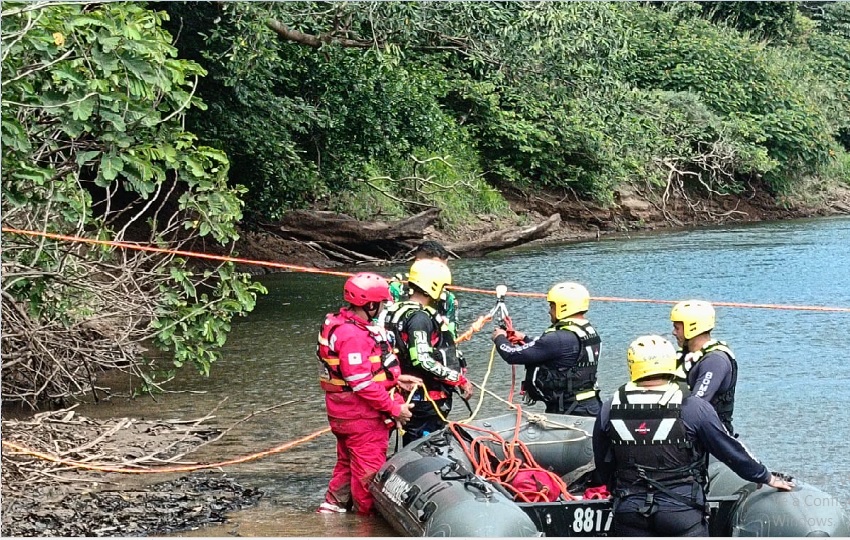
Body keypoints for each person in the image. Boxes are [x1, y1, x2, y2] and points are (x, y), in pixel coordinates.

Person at [592, 335, 794, 536]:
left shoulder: (610, 408)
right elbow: (729, 450)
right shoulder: (694, 408)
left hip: (630, 510)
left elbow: (603, 462)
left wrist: (620, 490)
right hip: (681, 510)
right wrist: (765, 476)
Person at [316, 272, 421, 515]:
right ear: (370, 304)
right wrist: (395, 408)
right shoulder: (353, 335)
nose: (384, 307)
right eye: (381, 303)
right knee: (369, 475)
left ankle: (333, 508)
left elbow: (358, 372)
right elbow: (360, 383)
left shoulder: (340, 325)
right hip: (361, 418)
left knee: (346, 463)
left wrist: (395, 378)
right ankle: (368, 525)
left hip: (342, 413)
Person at [382, 258, 473, 446]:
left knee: (413, 442)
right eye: (443, 287)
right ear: (433, 286)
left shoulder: (396, 310)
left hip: (409, 394)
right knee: (425, 446)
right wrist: (459, 379)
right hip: (426, 399)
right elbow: (422, 359)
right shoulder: (420, 318)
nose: (444, 292)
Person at [491, 282, 602, 416]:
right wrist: (524, 338)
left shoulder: (558, 338)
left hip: (569, 411)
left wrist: (500, 338)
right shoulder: (586, 332)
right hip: (590, 406)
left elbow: (512, 355)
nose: (549, 311)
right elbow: (557, 353)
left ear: (564, 307)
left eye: (552, 306)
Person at [670, 300, 738, 435]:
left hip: (710, 437)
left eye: (677, 328)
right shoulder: (684, 356)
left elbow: (696, 407)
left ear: (692, 328)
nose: (673, 332)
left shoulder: (715, 361)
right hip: (685, 431)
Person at [389, 240, 460, 340]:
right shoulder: (396, 287)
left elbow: (452, 336)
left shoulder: (447, 297)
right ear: (418, 262)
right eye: (438, 267)